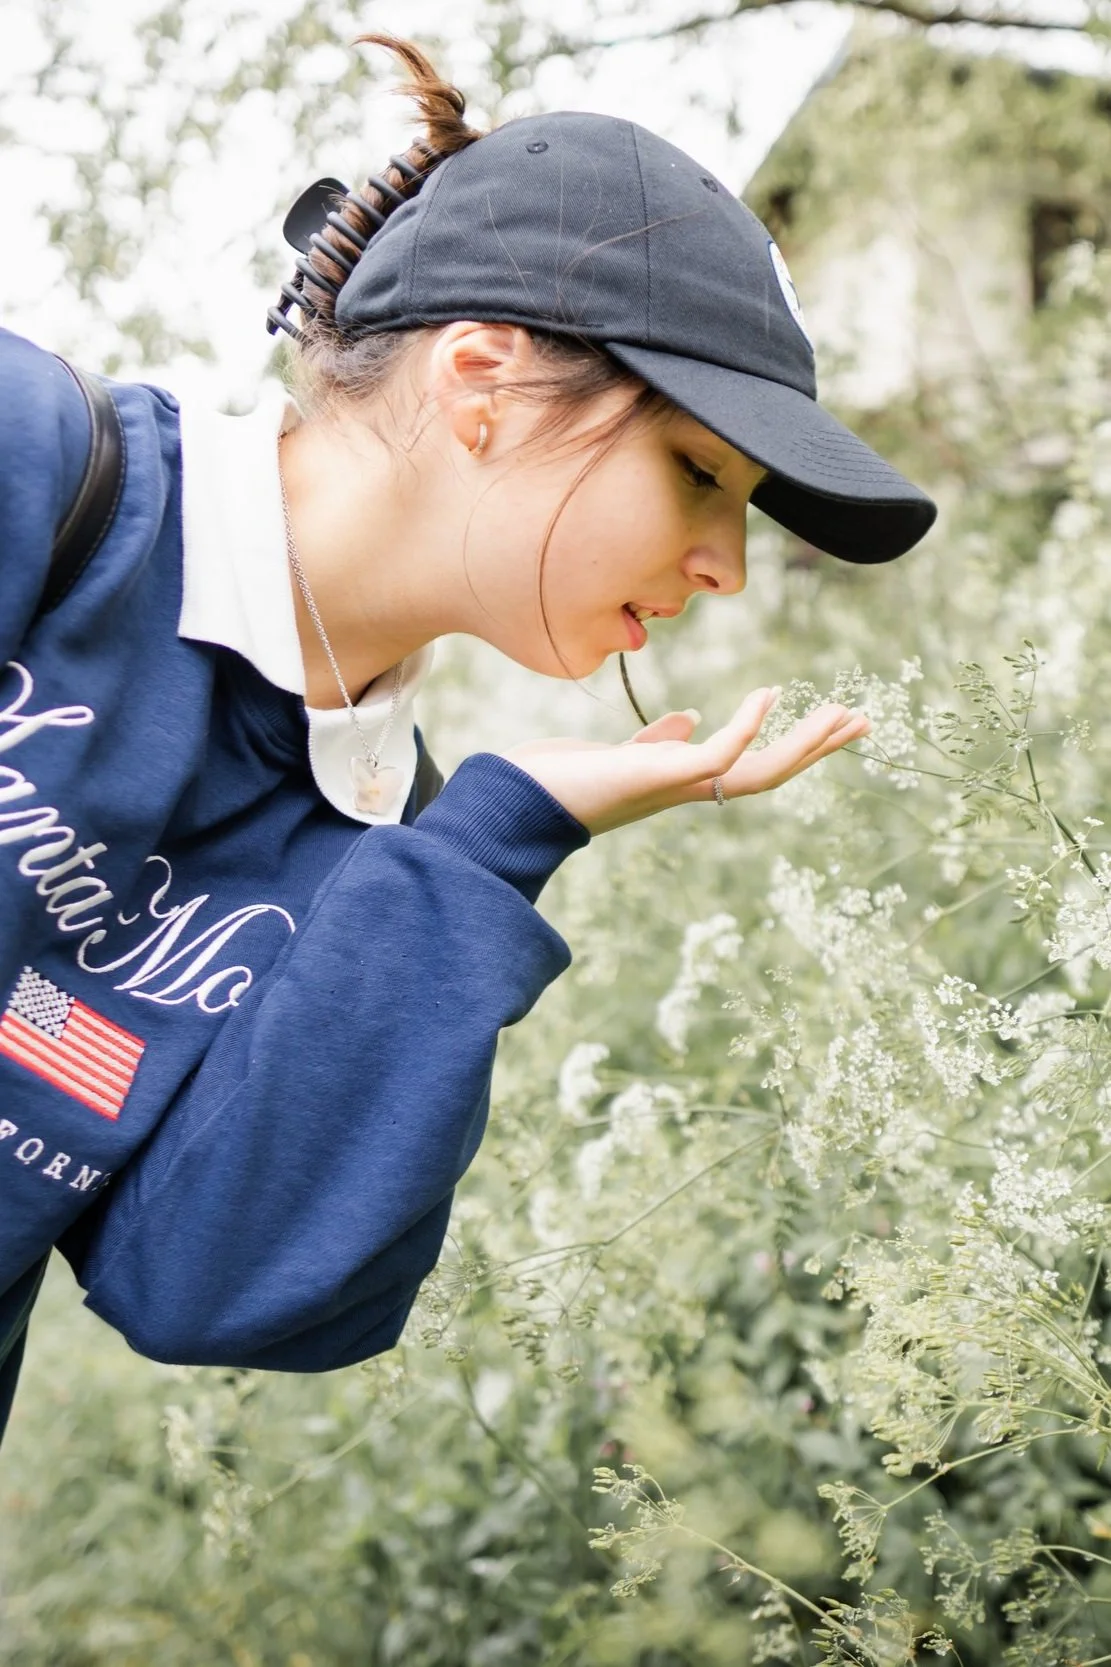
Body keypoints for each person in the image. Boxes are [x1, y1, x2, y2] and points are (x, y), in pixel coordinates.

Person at [0, 34, 935, 1445]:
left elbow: (209, 1283)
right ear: (480, 379)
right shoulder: (37, 476)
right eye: (696, 471)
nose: (725, 565)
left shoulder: (386, 840)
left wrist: (497, 843)